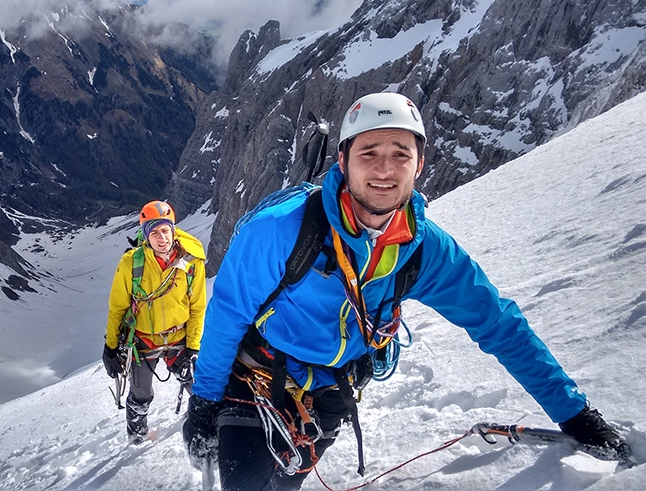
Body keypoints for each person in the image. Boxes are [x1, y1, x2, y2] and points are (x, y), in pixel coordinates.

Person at [182, 92, 629, 489]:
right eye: (369, 151)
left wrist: (575, 415)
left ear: (419, 163)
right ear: (343, 160)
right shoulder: (278, 233)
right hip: (253, 377)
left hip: (330, 395)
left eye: (400, 153)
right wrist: (203, 404)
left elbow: (498, 323)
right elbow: (227, 317)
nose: (384, 168)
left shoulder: (423, 250)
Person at [103, 200, 207, 444]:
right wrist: (109, 347)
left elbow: (197, 308)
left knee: (200, 387)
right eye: (155, 233)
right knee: (141, 395)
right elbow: (117, 308)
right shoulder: (132, 263)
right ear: (145, 235)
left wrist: (193, 346)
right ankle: (137, 440)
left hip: (179, 339)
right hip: (142, 342)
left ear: (173, 230)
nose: (162, 239)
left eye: (165, 231)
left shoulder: (192, 263)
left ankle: (207, 428)